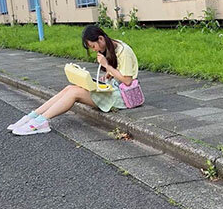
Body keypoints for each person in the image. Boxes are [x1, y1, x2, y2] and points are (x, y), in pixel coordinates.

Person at [8, 25, 139, 135]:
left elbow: (127, 81)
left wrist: (106, 66)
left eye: (93, 46)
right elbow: (118, 71)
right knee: (69, 88)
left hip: (122, 96)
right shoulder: (110, 47)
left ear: (100, 39)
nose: (94, 50)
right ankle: (32, 116)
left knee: (74, 93)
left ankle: (41, 122)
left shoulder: (123, 51)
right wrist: (108, 75)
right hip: (113, 88)